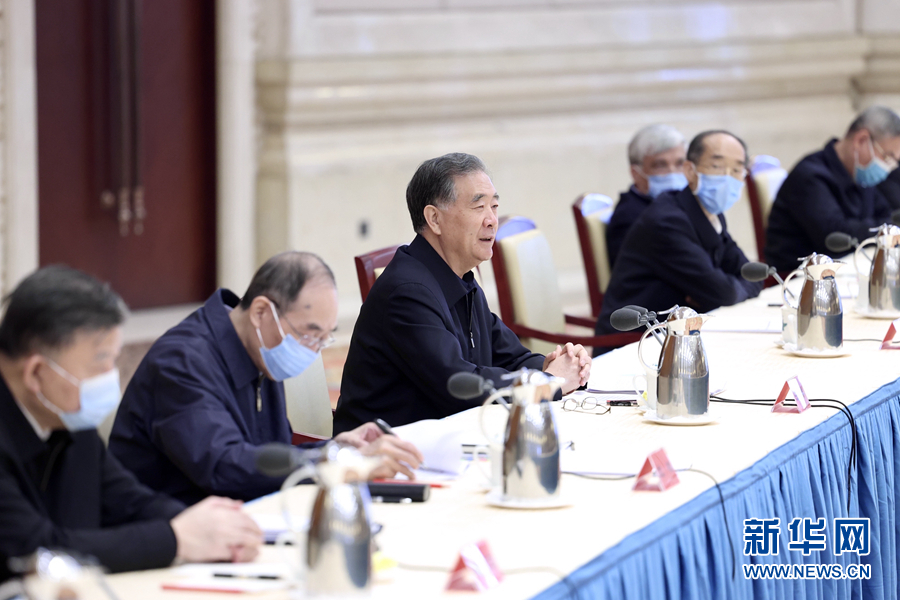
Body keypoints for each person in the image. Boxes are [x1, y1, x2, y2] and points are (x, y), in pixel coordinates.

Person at [0, 266, 262, 583]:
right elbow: (34, 551)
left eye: (114, 360)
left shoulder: (68, 420)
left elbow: (129, 500)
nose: (111, 377)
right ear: (36, 373)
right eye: (100, 363)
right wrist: (176, 539)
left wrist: (212, 529)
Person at [109, 252, 422, 506]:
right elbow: (224, 466)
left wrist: (335, 448)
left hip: (242, 515)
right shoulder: (183, 362)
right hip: (171, 530)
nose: (313, 351)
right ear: (261, 312)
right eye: (308, 335)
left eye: (323, 339)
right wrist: (335, 461)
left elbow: (270, 456)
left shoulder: (260, 348)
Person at [334, 153, 591, 433]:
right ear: (434, 219)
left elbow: (511, 357)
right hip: (387, 449)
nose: (492, 220)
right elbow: (458, 385)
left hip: (446, 436)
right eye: (479, 207)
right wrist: (548, 383)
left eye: (494, 206)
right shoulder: (406, 293)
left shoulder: (461, 276)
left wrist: (555, 366)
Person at [593, 130, 763, 355]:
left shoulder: (709, 212)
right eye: (717, 167)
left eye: (737, 170)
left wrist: (721, 289)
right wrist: (722, 288)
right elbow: (723, 293)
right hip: (638, 344)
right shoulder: (666, 221)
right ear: (690, 171)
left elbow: (751, 275)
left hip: (679, 336)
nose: (727, 177)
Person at [766, 106, 900, 272]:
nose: (890, 166)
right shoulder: (810, 176)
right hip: (798, 278)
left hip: (846, 268)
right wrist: (883, 228)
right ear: (861, 140)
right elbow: (835, 236)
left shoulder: (861, 175)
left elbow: (886, 215)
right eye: (887, 156)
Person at [606, 124, 688, 267]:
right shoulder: (631, 217)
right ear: (636, 174)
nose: (672, 172)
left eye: (680, 164)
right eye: (660, 165)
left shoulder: (679, 206)